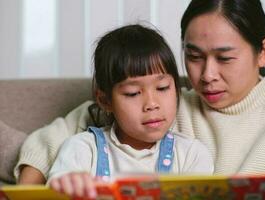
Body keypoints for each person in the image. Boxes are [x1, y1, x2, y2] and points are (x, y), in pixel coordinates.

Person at [15, 0, 265, 199]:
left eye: (224, 58)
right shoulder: (168, 103)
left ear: (263, 52)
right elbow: (62, 134)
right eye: (194, 56)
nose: (206, 75)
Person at [48, 24, 213, 198]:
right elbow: (56, 188)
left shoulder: (192, 154)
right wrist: (68, 185)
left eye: (163, 88)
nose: (151, 104)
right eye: (133, 93)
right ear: (105, 100)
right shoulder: (82, 150)